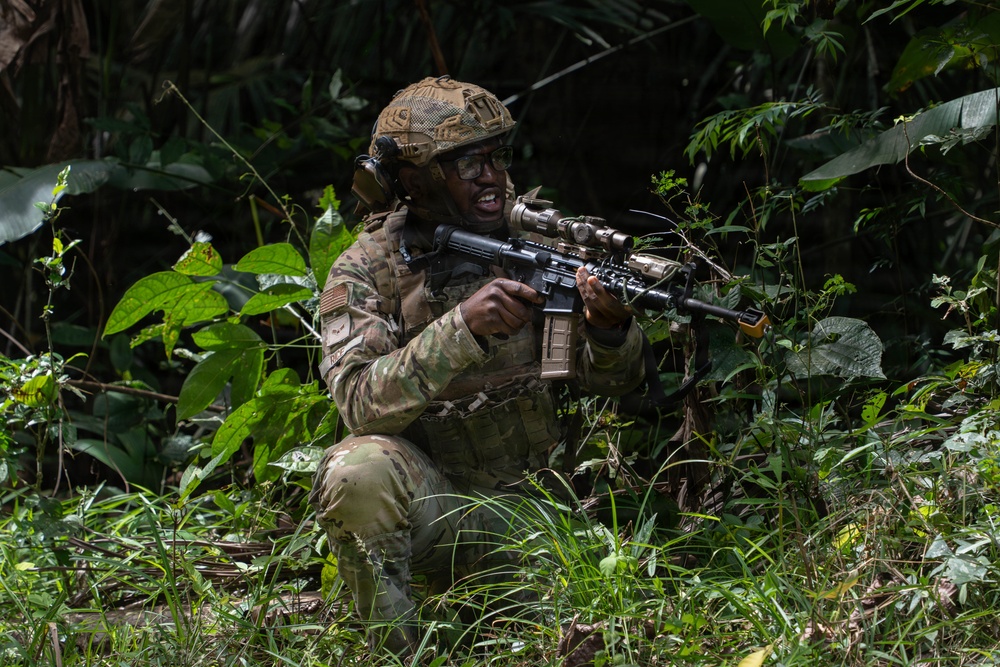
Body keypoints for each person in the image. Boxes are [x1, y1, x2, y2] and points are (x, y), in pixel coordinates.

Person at [309, 75, 646, 656]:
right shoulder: (367, 270)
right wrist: (461, 328)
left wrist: (610, 328)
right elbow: (359, 402)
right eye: (466, 165)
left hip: (545, 519)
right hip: (442, 510)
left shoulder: (542, 237)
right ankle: (397, 651)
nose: (490, 176)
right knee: (355, 471)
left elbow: (618, 385)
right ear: (414, 180)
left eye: (495, 157)